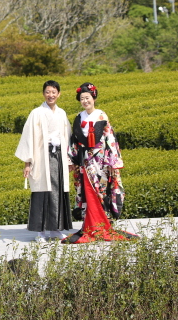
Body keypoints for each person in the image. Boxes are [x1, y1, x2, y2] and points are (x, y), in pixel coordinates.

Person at [62, 82, 137, 244]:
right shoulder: (78, 117)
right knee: (87, 192)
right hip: (84, 161)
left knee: (101, 192)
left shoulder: (101, 115)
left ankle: (101, 225)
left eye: (87, 98)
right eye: (82, 98)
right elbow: (73, 141)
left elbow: (110, 138)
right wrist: (72, 159)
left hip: (101, 160)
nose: (85, 101)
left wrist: (113, 162)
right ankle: (90, 225)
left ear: (93, 97)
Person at [15, 80, 73, 241]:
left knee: (58, 191)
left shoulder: (61, 113)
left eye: (54, 92)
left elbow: (67, 136)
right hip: (42, 157)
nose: (51, 95)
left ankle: (55, 228)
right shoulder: (36, 113)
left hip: (59, 157)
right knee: (42, 192)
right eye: (48, 92)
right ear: (43, 94)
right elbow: (28, 138)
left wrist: (69, 160)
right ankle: (40, 232)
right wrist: (27, 163)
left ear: (59, 94)